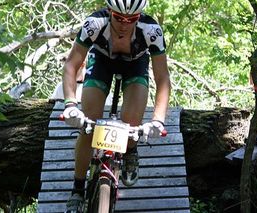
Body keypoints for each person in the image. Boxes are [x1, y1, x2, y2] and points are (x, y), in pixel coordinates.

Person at [62, 0, 171, 212]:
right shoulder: (94, 23)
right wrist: (70, 104)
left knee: (132, 120)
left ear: (139, 17)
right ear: (109, 12)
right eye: (119, 18)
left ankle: (130, 150)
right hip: (102, 61)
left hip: (135, 65)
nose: (124, 24)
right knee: (88, 125)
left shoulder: (151, 30)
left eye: (131, 19)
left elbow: (163, 78)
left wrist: (158, 119)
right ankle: (77, 188)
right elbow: (71, 65)